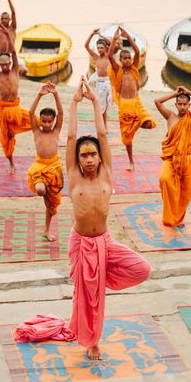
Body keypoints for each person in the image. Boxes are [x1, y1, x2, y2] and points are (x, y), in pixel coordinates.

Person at [66, 78, 151, 359]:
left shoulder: (106, 174)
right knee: (87, 298)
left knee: (142, 268)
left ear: (100, 158)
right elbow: (70, 137)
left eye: (93, 155)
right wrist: (75, 102)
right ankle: (91, 341)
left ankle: (103, 278)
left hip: (104, 242)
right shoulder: (74, 176)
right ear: (77, 160)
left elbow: (103, 136)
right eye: (84, 155)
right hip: (81, 243)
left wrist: (94, 101)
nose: (89, 159)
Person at [154, 86, 191, 228]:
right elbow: (157, 101)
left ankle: (179, 218)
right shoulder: (170, 116)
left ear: (189, 105)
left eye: (185, 104)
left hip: (188, 158)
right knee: (164, 180)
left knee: (186, 191)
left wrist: (189, 92)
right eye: (180, 104)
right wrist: (174, 94)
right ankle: (170, 215)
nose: (182, 107)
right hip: (171, 158)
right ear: (176, 104)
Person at [108, 26, 156, 171]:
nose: (128, 60)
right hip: (125, 105)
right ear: (121, 60)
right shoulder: (118, 70)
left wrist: (128, 37)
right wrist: (115, 39)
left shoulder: (135, 68)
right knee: (127, 140)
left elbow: (137, 52)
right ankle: (131, 161)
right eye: (125, 58)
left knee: (149, 123)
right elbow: (110, 55)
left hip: (136, 102)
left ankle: (137, 123)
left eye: (129, 58)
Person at [0, 24, 33, 174]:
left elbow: (14, 52)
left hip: (16, 108)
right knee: (7, 139)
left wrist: (8, 35)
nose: (5, 66)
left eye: (7, 63)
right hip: (4, 109)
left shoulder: (15, 70)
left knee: (37, 121)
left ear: (10, 63)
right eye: (2, 64)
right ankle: (11, 163)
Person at [27, 82, 64, 242]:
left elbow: (61, 111)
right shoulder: (37, 131)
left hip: (54, 168)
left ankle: (46, 230)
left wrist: (55, 94)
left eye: (50, 121)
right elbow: (30, 111)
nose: (47, 124)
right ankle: (46, 197)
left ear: (53, 121)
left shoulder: (56, 130)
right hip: (40, 168)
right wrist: (40, 94)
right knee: (41, 191)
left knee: (52, 207)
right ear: (40, 121)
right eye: (44, 121)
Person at [0, 0, 27, 76]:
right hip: (1, 56)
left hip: (12, 55)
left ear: (9, 19)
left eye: (6, 18)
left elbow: (13, 12)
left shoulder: (12, 28)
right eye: (2, 18)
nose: (4, 20)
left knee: (24, 70)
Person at [85, 29, 114, 128]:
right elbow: (86, 46)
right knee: (102, 107)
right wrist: (91, 34)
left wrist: (101, 35)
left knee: (110, 100)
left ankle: (107, 114)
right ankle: (104, 125)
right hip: (100, 82)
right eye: (98, 48)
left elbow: (112, 43)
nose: (100, 50)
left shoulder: (109, 57)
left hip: (108, 81)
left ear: (106, 48)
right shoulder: (96, 57)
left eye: (101, 48)